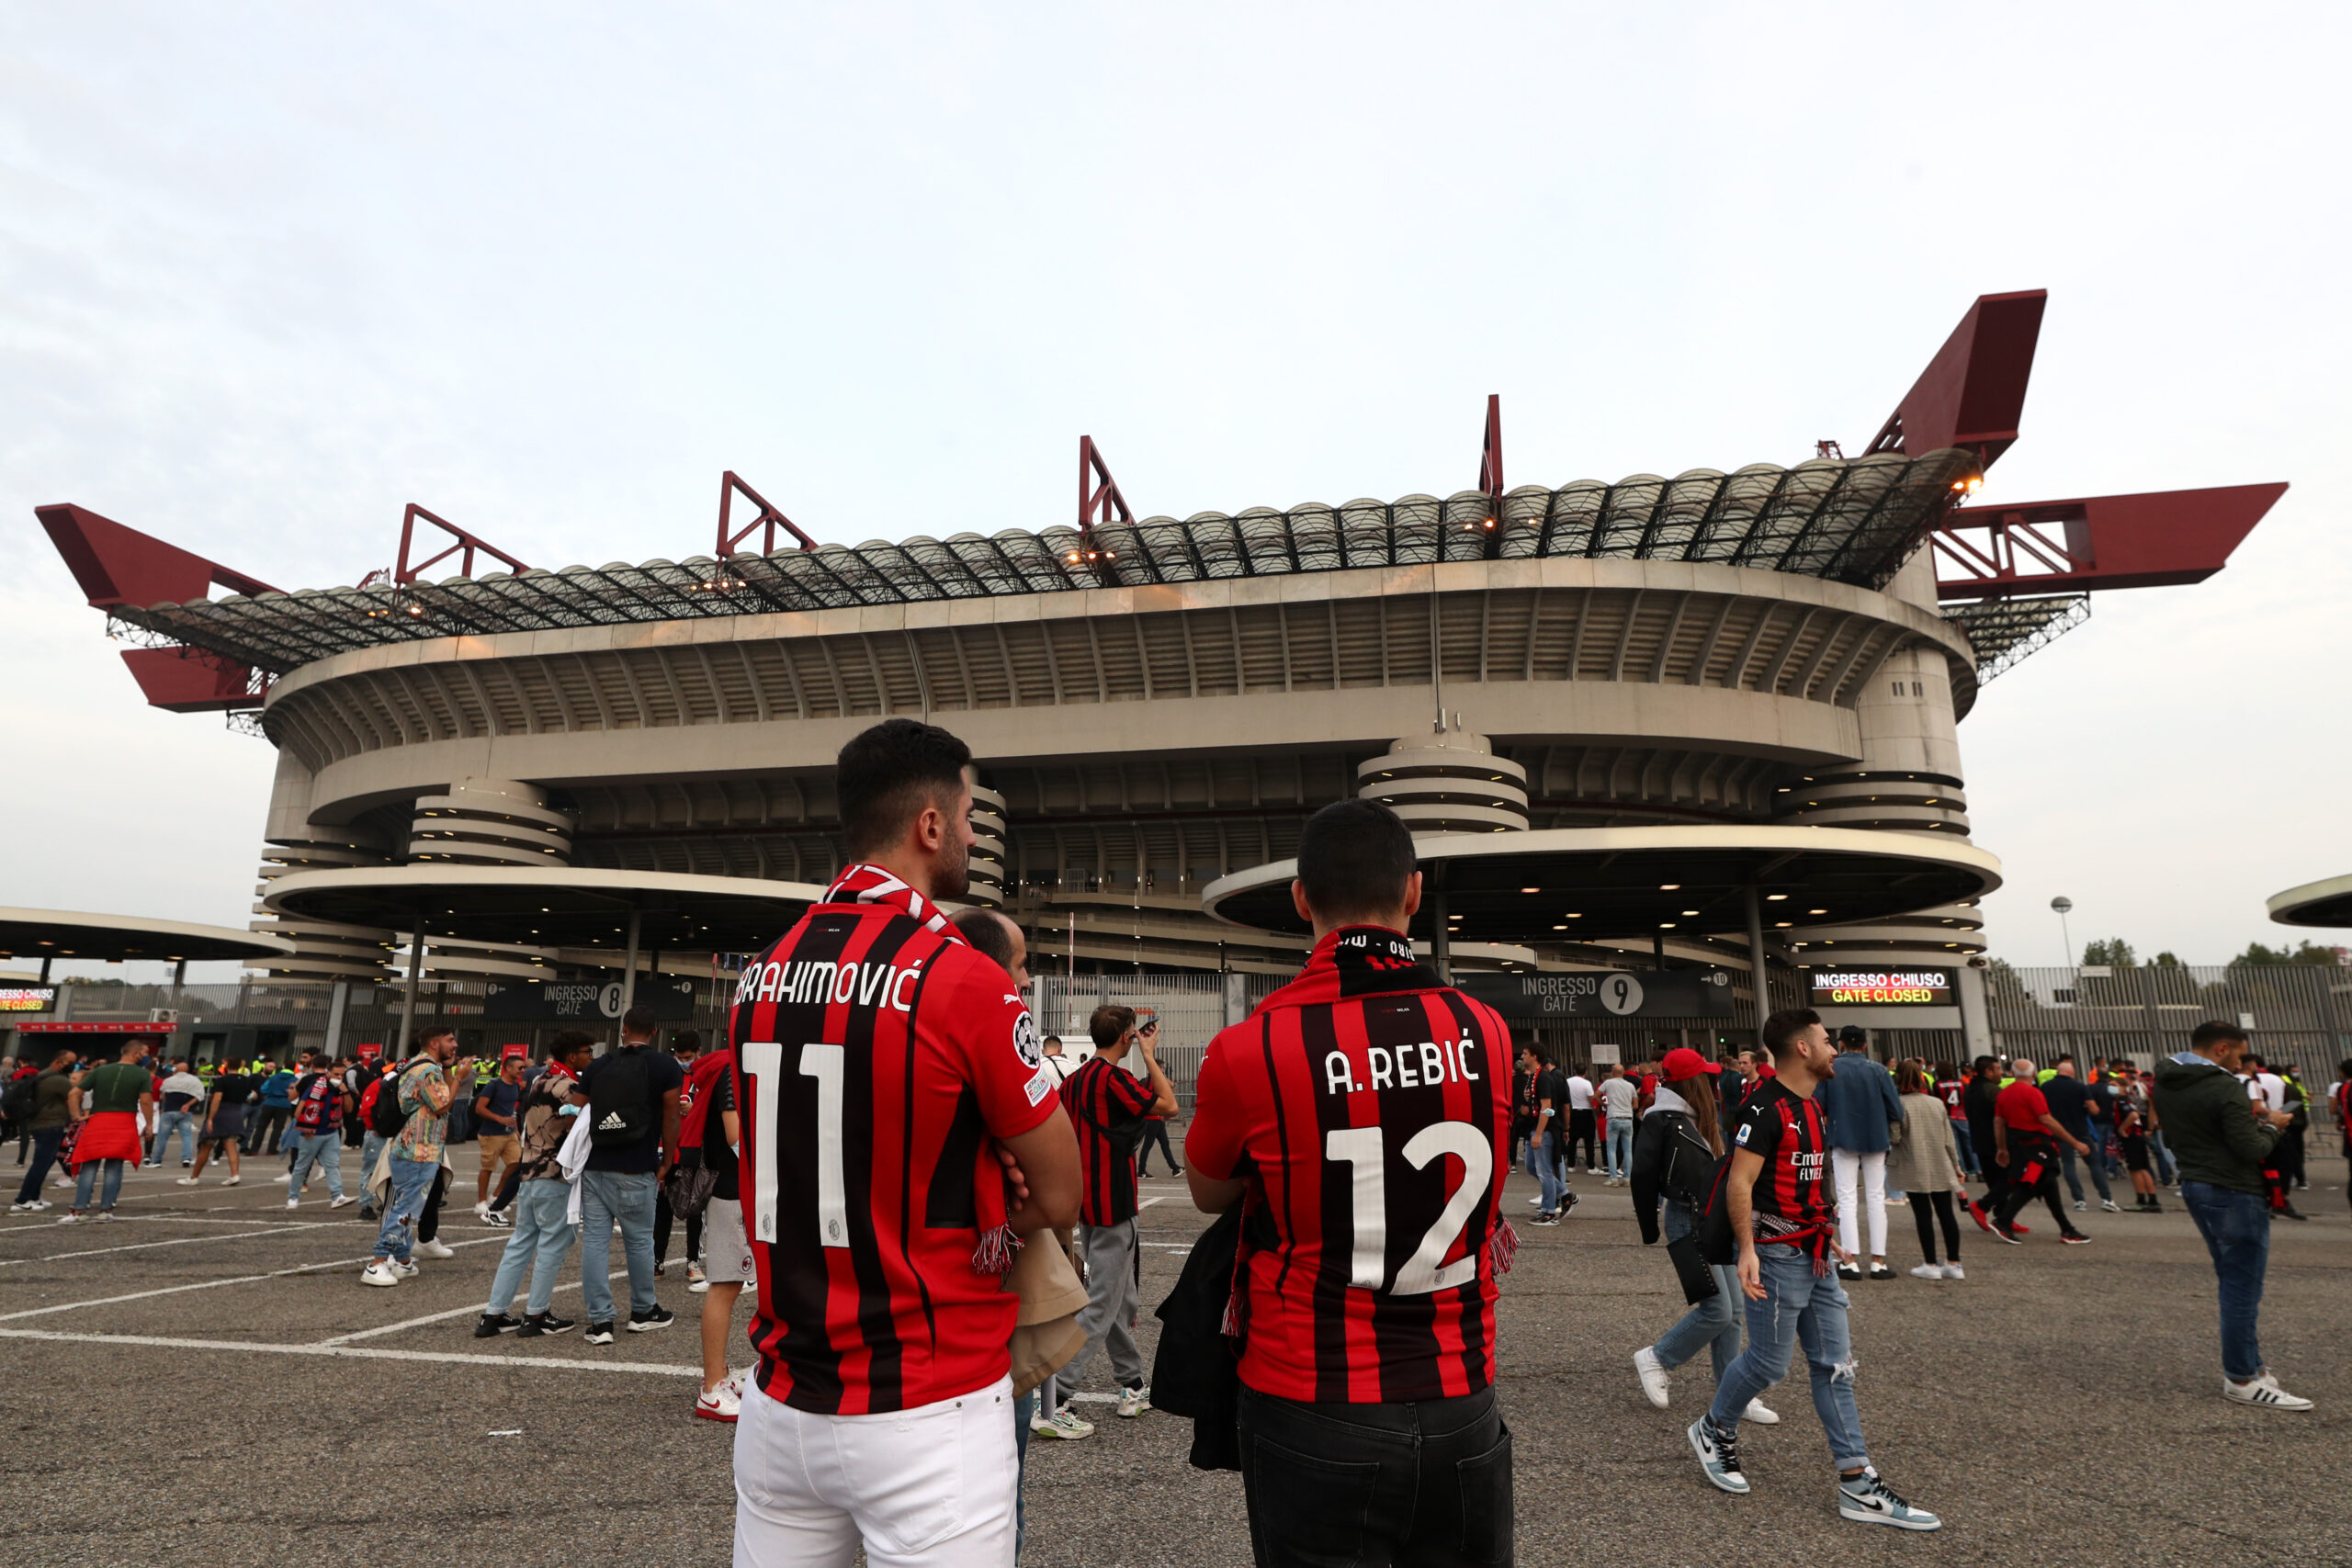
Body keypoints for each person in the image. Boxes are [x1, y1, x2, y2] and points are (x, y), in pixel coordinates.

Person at [727, 717, 1080, 1566]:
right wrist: (985, 1190)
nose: (970, 835)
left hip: (781, 1400)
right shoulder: (962, 976)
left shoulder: (760, 970)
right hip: (929, 1402)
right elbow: (1062, 1191)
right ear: (928, 825)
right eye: (965, 816)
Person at [1187, 796, 1519, 1566]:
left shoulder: (1252, 1044)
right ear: (1413, 891)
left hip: (1311, 1400)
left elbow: (1208, 1191)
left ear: (1301, 898)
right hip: (1461, 1391)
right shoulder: (1487, 1029)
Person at [1687, 1009, 1941, 1531]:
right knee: (1767, 1364)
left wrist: (1830, 1233)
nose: (1833, 1049)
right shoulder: (1763, 1107)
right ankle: (1713, 1430)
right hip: (1777, 1254)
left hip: (1817, 1252)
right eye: (1826, 1041)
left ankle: (1856, 1482)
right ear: (1802, 1048)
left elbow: (1809, 1180)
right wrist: (1748, 1249)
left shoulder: (1814, 1105)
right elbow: (1739, 1183)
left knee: (1835, 1366)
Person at [1035, 1002, 1176, 1439]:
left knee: (1115, 1296)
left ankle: (1131, 1383)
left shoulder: (1074, 1081)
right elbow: (1169, 1105)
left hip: (1085, 1203)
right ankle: (1056, 1400)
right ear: (1126, 1036)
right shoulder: (1114, 1079)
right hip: (1115, 1203)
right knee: (1101, 1303)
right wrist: (1149, 1055)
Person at [2153, 1021, 2308, 1409]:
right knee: (2242, 1287)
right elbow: (2251, 1148)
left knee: (2232, 1278)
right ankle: (2241, 1378)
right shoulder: (2224, 1086)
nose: (2243, 1065)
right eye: (2239, 1056)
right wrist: (2272, 1127)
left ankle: (2252, 1367)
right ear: (2221, 1048)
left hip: (2196, 1184)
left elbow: (2178, 1134)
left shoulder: (2166, 1080)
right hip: (2234, 1190)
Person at [1632, 1047, 1778, 1425]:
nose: (1714, 1081)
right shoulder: (1662, 1118)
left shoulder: (1701, 1117)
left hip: (1714, 1218)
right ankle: (1657, 1357)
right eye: (1707, 1076)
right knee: (1717, 1310)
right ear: (1693, 1081)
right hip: (1684, 1219)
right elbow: (1642, 1175)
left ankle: (1733, 1394)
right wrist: (1648, 1227)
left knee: (1734, 1312)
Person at [475, 1031, 596, 1339]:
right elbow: (578, 1131)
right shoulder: (571, 1087)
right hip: (555, 1173)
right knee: (553, 1246)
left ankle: (494, 1314)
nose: (591, 1057)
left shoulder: (538, 1081)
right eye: (587, 1051)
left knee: (520, 1244)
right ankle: (537, 1314)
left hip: (528, 1171)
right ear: (572, 1056)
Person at [574, 1004, 684, 1344]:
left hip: (596, 1165)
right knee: (638, 1241)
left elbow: (576, 1110)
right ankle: (643, 1311)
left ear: (623, 1030)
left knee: (595, 1242)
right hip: (637, 1164)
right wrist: (667, 1158)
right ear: (654, 1033)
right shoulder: (665, 1066)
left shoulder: (599, 1065)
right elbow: (671, 1116)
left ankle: (601, 1321)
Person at [360, 1028, 475, 1288]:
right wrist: (459, 1078)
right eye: (450, 1040)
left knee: (408, 1205)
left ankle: (402, 1261)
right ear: (434, 1043)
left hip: (410, 1147)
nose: (455, 1045)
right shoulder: (428, 1070)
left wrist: (450, 1070)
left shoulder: (420, 1065)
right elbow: (442, 1104)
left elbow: (438, 1097)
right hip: (419, 1150)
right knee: (407, 1208)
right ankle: (377, 1262)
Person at [1815, 1024, 1901, 1281]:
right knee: (1876, 1197)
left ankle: (1849, 1260)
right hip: (1875, 1137)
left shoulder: (1832, 1069)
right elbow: (1896, 1109)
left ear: (1841, 1044)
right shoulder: (1879, 1070)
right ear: (1864, 1044)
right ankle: (1878, 1261)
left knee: (1847, 1197)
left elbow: (1818, 1103)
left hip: (1843, 1136)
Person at [1989, 1057, 2091, 1246]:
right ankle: (2003, 1220)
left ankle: (2066, 1228)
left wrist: (2002, 1148)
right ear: (2034, 1073)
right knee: (2032, 1183)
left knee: (2049, 1184)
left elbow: (1999, 1123)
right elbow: (2047, 1120)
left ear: (2012, 1073)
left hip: (2018, 1143)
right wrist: (2075, 1142)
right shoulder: (2033, 1093)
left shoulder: (2004, 1094)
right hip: (2038, 1145)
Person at [1887, 1061, 1966, 1280]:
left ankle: (1930, 1263)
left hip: (1914, 1165)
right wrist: (1957, 1166)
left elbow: (1895, 1137)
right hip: (1940, 1163)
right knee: (1947, 1214)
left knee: (1923, 1215)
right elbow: (1949, 1140)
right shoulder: (1936, 1103)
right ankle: (1954, 1263)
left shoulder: (1898, 1105)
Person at [62, 1036, 154, 1223]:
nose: (146, 1057)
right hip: (124, 1123)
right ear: (136, 1054)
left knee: (89, 1166)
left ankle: (79, 1210)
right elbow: (146, 1101)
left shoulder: (100, 1070)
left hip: (98, 1121)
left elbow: (74, 1093)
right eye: (145, 1053)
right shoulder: (142, 1074)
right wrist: (149, 1123)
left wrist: (76, 1115)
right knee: (114, 1167)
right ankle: (105, 1210)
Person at [651, 1030, 707, 1275]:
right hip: (669, 1151)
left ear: (698, 1052)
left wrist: (696, 1107)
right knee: (662, 1209)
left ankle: (692, 1262)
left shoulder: (707, 1075)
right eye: (679, 1057)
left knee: (695, 1210)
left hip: (694, 1151)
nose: (683, 1061)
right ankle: (657, 1260)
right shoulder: (668, 1075)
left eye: (687, 1057)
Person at [2042, 1056, 2119, 1214]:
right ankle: (2106, 1199)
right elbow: (2093, 1109)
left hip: (2059, 1131)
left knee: (2068, 1164)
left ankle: (2079, 1200)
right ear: (2072, 1072)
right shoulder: (2079, 1087)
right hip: (2080, 1130)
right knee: (2094, 1163)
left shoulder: (2046, 1087)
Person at [8, 1046, 79, 1213]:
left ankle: (34, 1196)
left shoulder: (42, 1075)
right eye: (70, 1062)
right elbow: (74, 1097)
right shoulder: (59, 1080)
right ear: (58, 1062)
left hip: (41, 1124)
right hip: (50, 1125)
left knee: (44, 1162)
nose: (73, 1066)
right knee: (41, 1164)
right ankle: (22, 1199)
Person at [286, 1055, 356, 1208]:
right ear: (328, 1073)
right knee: (302, 1166)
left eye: (342, 1075)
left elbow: (349, 1109)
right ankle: (293, 1197)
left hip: (331, 1132)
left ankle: (337, 1195)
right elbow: (299, 1111)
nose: (339, 1077)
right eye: (336, 1074)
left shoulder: (340, 1089)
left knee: (332, 1165)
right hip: (312, 1132)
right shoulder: (315, 1087)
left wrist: (345, 1092)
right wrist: (307, 1127)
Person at [187, 1058, 255, 1186]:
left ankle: (194, 1177)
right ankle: (234, 1174)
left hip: (221, 1112)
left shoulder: (222, 1080)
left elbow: (217, 1099)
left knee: (206, 1145)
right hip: (236, 1112)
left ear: (227, 1066)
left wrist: (210, 1118)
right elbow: (253, 1095)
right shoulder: (246, 1080)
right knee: (231, 1146)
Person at [472, 1051, 525, 1215]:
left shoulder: (515, 1086)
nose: (523, 1071)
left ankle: (496, 1195)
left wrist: (516, 1130)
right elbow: (479, 1108)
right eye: (520, 1068)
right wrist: (499, 1119)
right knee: (488, 1167)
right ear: (508, 1068)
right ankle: (481, 1201)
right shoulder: (493, 1085)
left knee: (516, 1164)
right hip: (491, 1133)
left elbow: (512, 1109)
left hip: (509, 1133)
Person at [1524, 1045, 1566, 1224]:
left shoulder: (1543, 1078)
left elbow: (1547, 1108)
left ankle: (1549, 1212)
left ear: (1534, 1056)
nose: (1522, 1056)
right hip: (1534, 1127)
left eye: (1525, 1053)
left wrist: (1539, 1133)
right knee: (1531, 1167)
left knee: (1544, 1171)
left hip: (1545, 1130)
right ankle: (1565, 1194)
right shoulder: (1533, 1077)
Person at [146, 1058, 207, 1168]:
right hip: (185, 1112)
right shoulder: (195, 1080)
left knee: (162, 1137)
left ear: (176, 1070)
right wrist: (188, 1104)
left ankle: (156, 1160)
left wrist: (165, 1106)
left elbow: (163, 1094)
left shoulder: (168, 1080)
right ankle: (186, 1158)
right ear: (187, 1070)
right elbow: (200, 1096)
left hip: (169, 1110)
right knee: (187, 1136)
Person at [2114, 1077, 2163, 1213]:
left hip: (2131, 1138)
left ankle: (2141, 1200)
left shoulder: (2122, 1101)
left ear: (2123, 1087)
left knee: (2135, 1169)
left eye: (2114, 1085)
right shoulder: (2129, 1100)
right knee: (2143, 1168)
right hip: (2138, 1136)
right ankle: (2152, 1200)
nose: (2111, 1087)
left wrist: (2122, 1128)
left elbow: (2133, 1115)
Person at [251, 1057, 298, 1165]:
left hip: (269, 1102)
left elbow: (263, 1089)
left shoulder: (274, 1077)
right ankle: (271, 1149)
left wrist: (269, 1094)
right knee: (277, 1128)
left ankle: (254, 1149)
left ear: (284, 1066)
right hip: (284, 1104)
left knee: (261, 1126)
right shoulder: (294, 1079)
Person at [1600, 1062, 1638, 1184]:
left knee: (1611, 1149)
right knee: (1628, 1150)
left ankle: (1613, 1178)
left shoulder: (1608, 1083)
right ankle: (1627, 1178)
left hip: (1613, 1117)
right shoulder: (1630, 1086)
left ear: (1613, 1072)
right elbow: (1635, 1105)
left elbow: (1595, 1096)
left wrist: (1604, 1105)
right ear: (1623, 1073)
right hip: (1627, 1118)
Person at [1564, 1062, 1598, 1173]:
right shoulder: (1587, 1083)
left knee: (1572, 1140)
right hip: (1586, 1112)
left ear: (1574, 1071)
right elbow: (1591, 1098)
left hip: (1572, 1111)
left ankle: (1571, 1164)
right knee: (1589, 1141)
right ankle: (1591, 1166)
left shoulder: (1568, 1082)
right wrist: (1594, 1108)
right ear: (1586, 1072)